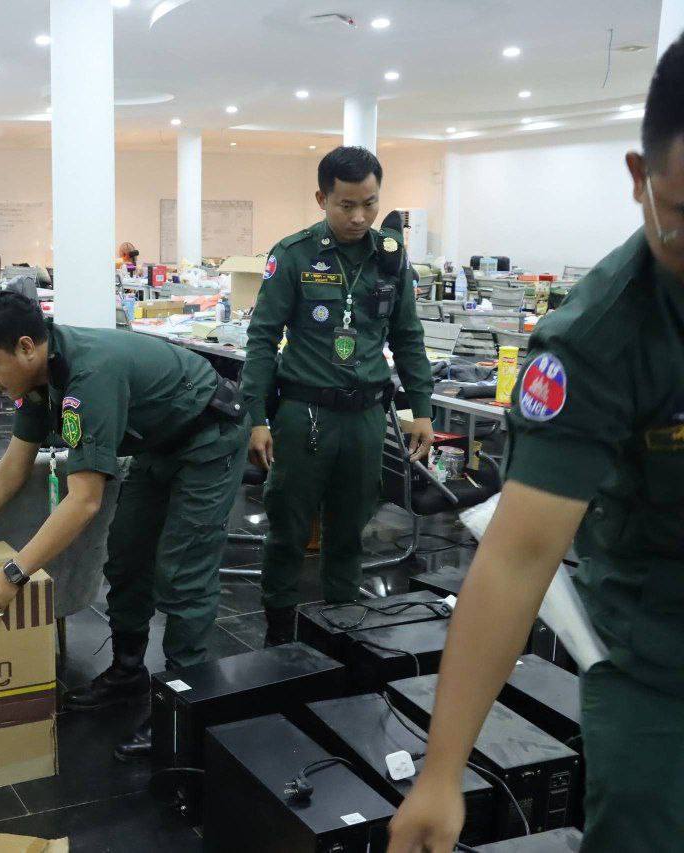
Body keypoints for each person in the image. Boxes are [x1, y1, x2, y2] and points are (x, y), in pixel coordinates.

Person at [388, 35, 684, 853]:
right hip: (664, 666)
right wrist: (442, 771)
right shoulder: (599, 340)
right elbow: (519, 556)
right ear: (639, 179)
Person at [0, 291, 248, 758]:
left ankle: (184, 708)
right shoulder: (40, 376)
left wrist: (12, 576)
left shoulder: (88, 377)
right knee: (126, 557)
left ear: (25, 346)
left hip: (209, 437)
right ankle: (128, 672)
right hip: (159, 442)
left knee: (183, 574)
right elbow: (13, 468)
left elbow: (83, 502)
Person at [240, 146, 435, 646]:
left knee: (350, 529)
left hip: (366, 416)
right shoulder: (294, 254)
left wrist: (422, 409)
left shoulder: (390, 256)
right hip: (304, 414)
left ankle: (343, 625)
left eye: (370, 204)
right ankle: (279, 631)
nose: (359, 217)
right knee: (289, 527)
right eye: (346, 205)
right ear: (322, 198)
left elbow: (408, 337)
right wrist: (256, 416)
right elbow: (262, 339)